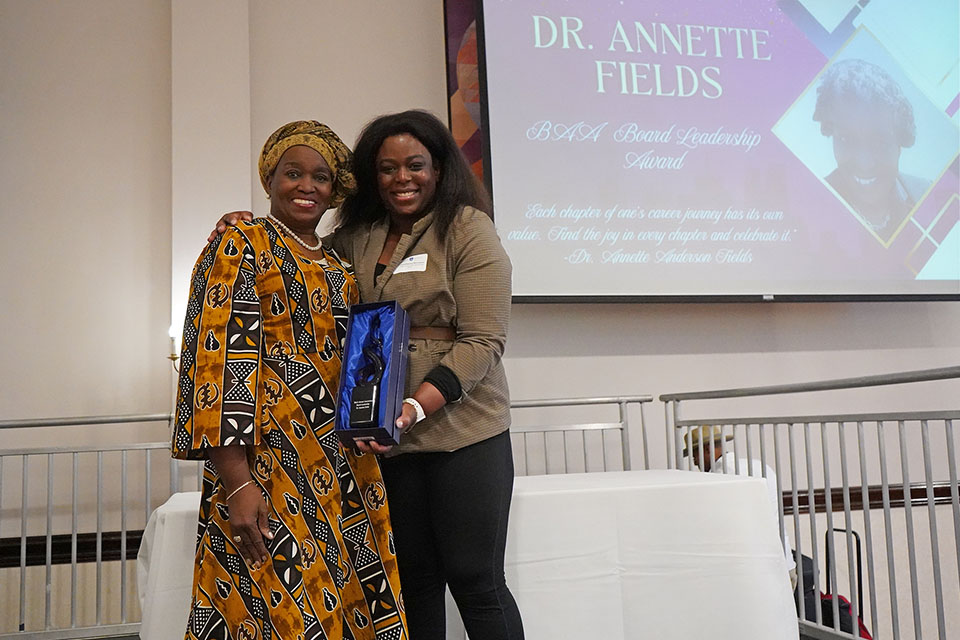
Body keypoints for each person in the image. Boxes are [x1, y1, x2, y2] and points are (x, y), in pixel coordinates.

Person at [211, 110, 524, 640]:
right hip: (380, 444)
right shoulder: (356, 235)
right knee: (413, 582)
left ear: (440, 169)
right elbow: (300, 260)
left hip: (463, 432)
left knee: (475, 579)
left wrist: (416, 405)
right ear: (369, 177)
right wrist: (246, 224)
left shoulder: (468, 229)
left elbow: (484, 341)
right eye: (387, 168)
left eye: (415, 165)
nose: (402, 178)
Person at [172, 121, 408, 640]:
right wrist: (237, 482)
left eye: (320, 177)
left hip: (343, 470)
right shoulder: (242, 244)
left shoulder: (339, 265)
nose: (306, 186)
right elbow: (217, 368)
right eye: (292, 173)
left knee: (343, 608)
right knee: (274, 610)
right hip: (265, 468)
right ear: (270, 179)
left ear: (335, 188)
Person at [813, 58, 930, 241]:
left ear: (901, 141)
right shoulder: (810, 209)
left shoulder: (930, 198)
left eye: (880, 142)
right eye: (846, 139)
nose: (864, 163)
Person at [684, 426, 798, 590]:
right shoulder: (760, 466)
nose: (694, 461)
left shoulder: (717, 479)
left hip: (749, 569)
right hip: (782, 558)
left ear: (706, 449)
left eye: (694, 454)